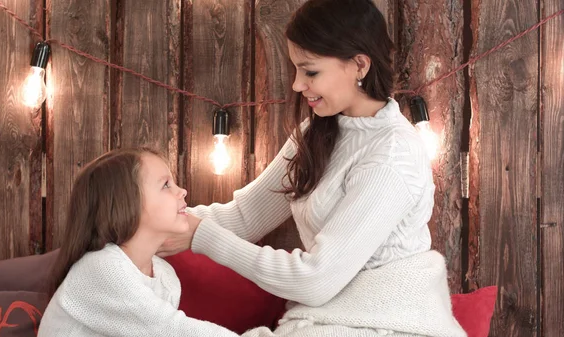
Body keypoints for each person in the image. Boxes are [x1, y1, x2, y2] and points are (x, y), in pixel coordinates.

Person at [159, 0, 467, 336]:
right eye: (295, 69)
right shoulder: (317, 130)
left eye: (310, 71)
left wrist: (201, 236)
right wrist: (154, 223)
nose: (296, 85)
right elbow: (244, 216)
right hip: (332, 318)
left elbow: (316, 281)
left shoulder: (393, 155)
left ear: (359, 65)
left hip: (388, 322)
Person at [38, 148, 242, 337]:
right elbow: (173, 331)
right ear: (127, 205)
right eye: (166, 185)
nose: (182, 191)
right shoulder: (102, 268)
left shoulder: (165, 276)